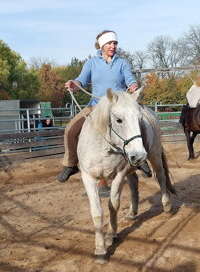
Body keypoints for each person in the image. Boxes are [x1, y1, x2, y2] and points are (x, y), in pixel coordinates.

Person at [57, 29, 151, 183]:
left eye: (115, 43)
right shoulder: (91, 63)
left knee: (140, 126)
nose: (113, 46)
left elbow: (130, 79)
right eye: (109, 43)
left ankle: (142, 159)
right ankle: (71, 163)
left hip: (119, 106)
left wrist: (133, 86)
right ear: (101, 45)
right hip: (96, 106)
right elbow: (81, 80)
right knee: (70, 130)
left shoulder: (122, 63)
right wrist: (74, 84)